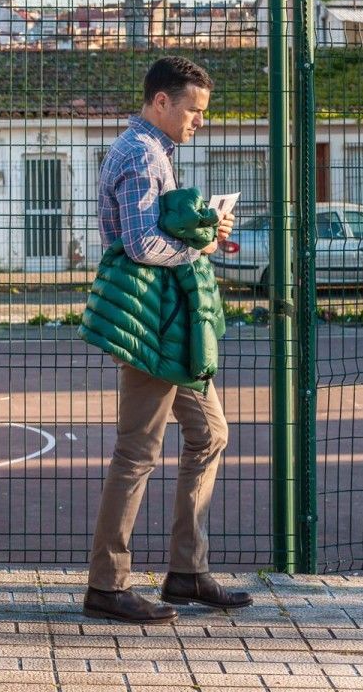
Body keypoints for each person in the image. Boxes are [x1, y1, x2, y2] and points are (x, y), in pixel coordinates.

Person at [82, 56, 251, 624]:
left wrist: (206, 226)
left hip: (171, 323)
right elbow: (139, 245)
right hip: (150, 323)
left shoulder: (155, 152)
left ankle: (186, 571)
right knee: (137, 452)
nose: (199, 121)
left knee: (210, 433)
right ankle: (107, 585)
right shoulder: (139, 154)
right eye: (193, 110)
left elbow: (160, 231)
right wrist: (199, 246)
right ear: (161, 102)